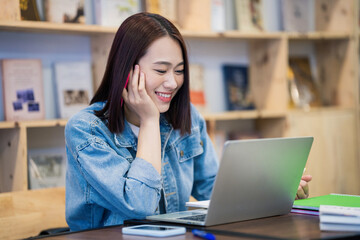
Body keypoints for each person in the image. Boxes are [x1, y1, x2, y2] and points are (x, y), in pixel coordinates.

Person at [64, 12, 312, 232]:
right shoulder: (86, 131)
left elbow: (215, 192)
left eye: (179, 70)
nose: (173, 83)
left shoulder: (188, 118)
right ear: (127, 71)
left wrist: (274, 188)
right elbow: (139, 206)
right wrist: (150, 121)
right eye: (161, 71)